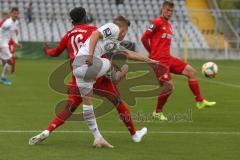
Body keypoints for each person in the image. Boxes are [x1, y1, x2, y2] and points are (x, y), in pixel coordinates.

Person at [29, 8, 149, 148]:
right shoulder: (93, 29)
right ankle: (134, 135)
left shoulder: (68, 35)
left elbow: (55, 52)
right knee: (117, 101)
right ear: (85, 17)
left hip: (77, 75)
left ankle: (47, 130)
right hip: (96, 73)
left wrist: (46, 50)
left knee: (71, 107)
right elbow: (102, 47)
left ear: (72, 21)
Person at [72, 15, 157, 147]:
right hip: (86, 63)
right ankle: (115, 76)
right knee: (107, 61)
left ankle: (98, 138)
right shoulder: (114, 28)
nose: (125, 35)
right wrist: (90, 55)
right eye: (126, 32)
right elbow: (95, 34)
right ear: (123, 29)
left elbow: (129, 54)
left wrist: (148, 60)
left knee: (88, 104)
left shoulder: (113, 43)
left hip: (77, 68)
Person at [141, 1, 216, 120]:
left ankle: (199, 101)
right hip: (159, 61)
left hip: (168, 58)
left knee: (191, 72)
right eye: (167, 10)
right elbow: (144, 38)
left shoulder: (169, 25)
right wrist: (151, 53)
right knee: (169, 87)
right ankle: (157, 112)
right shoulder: (157, 22)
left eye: (171, 11)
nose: (169, 13)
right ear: (162, 9)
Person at [0, 7, 22, 85]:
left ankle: (3, 77)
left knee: (8, 61)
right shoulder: (7, 23)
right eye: (14, 13)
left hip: (5, 43)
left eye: (16, 13)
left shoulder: (16, 22)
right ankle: (3, 78)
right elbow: (0, 31)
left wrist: (16, 43)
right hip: (2, 43)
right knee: (10, 60)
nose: (15, 15)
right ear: (11, 14)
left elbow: (13, 33)